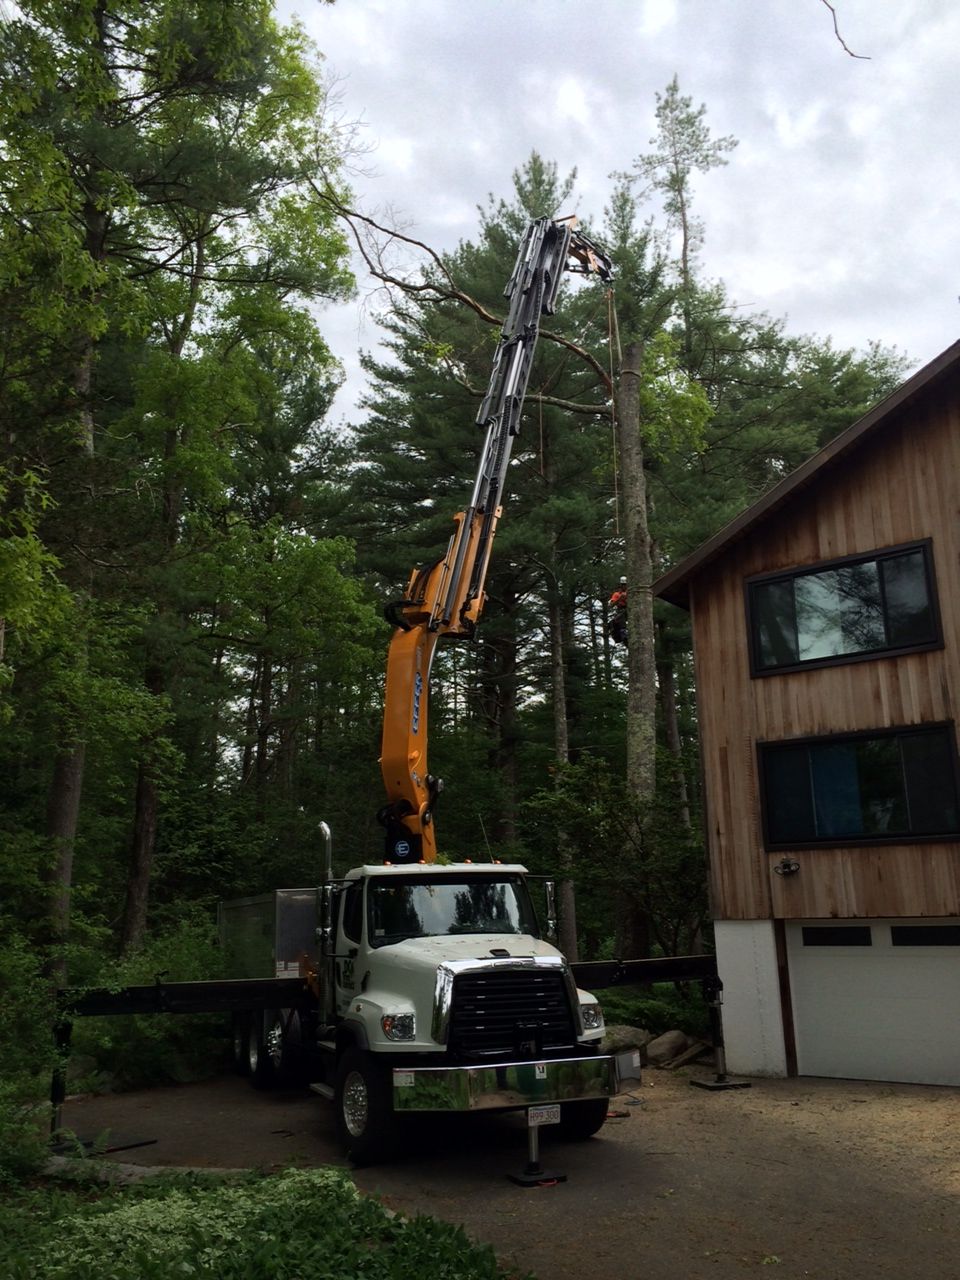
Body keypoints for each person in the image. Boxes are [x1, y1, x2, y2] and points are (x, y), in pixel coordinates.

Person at [608, 577, 627, 645]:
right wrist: (620, 598)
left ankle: (624, 632)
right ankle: (622, 633)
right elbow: (611, 605)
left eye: (625, 585)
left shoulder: (630, 593)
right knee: (619, 617)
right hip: (621, 609)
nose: (624, 586)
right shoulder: (616, 594)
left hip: (629, 609)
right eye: (623, 585)